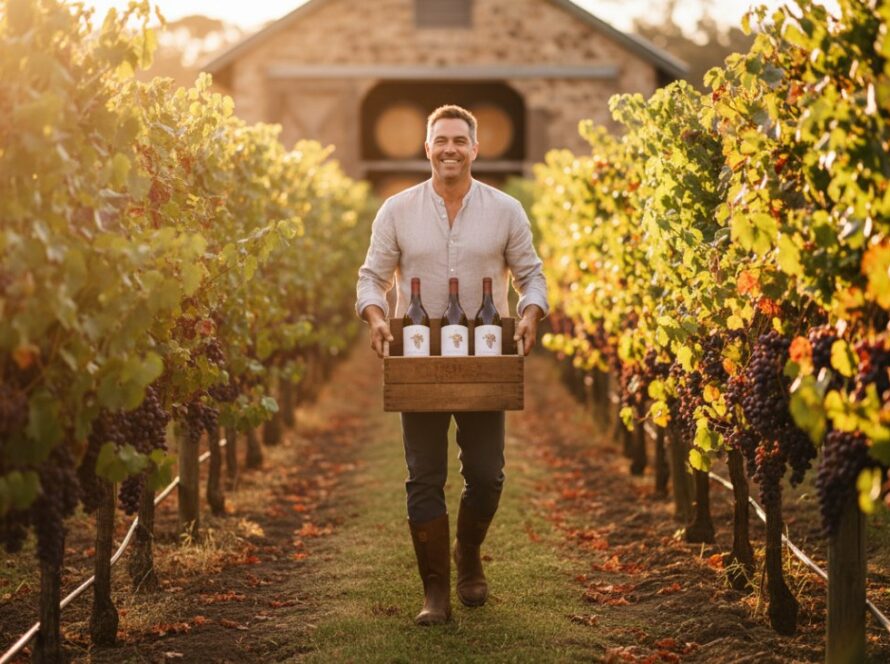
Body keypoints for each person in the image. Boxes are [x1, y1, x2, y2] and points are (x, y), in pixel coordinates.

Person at [355, 104, 548, 625]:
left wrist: (530, 314)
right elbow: (371, 277)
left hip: (485, 362)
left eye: (460, 140)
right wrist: (376, 318)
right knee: (424, 477)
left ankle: (467, 553)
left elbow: (532, 276)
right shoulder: (396, 210)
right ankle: (435, 590)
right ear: (427, 148)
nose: (450, 149)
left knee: (487, 476)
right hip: (418, 365)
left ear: (475, 149)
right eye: (441, 140)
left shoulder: (506, 210)